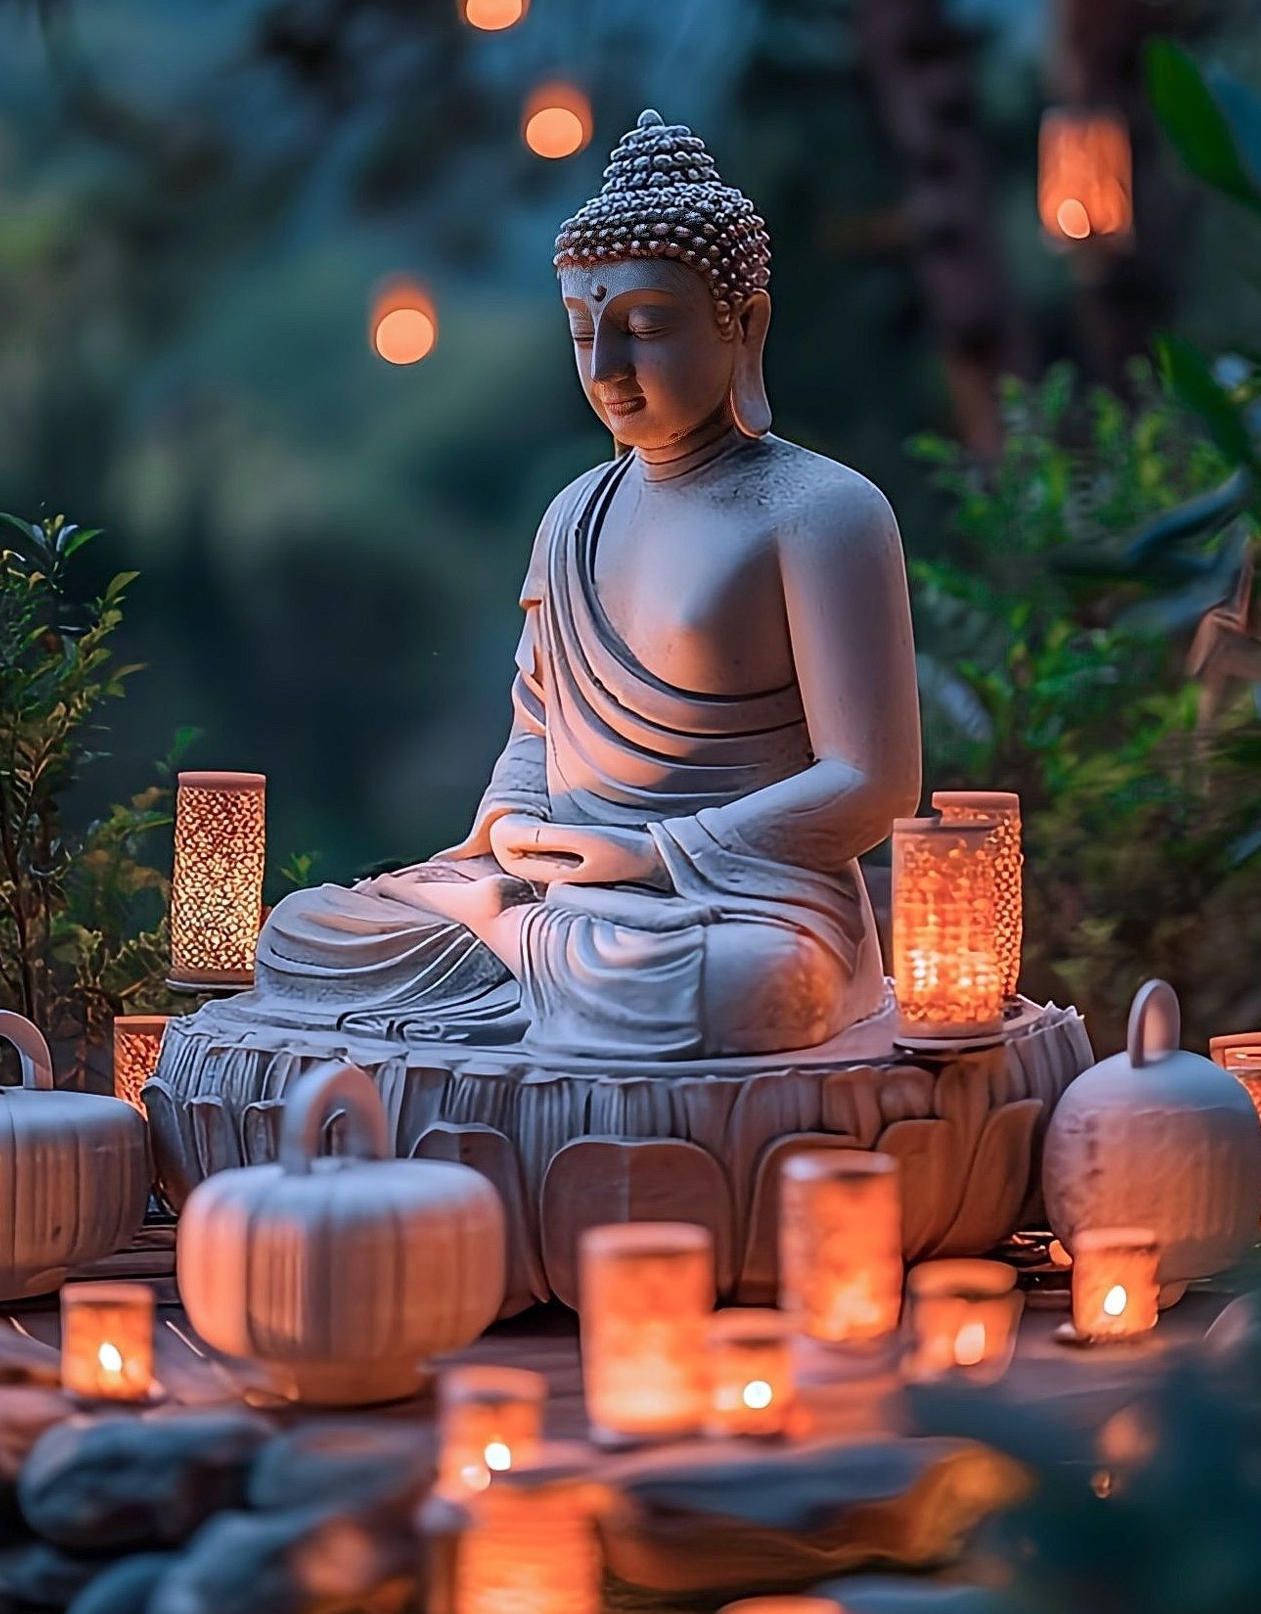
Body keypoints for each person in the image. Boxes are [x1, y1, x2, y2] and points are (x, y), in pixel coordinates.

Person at [255, 109, 921, 1061]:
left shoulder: (824, 510)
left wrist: (655, 855)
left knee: (744, 990)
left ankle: (520, 965)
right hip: (559, 890)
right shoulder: (573, 515)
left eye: (645, 327)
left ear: (745, 326)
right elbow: (538, 727)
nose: (607, 369)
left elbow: (874, 783)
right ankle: (513, 948)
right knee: (303, 932)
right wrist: (517, 824)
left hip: (735, 906)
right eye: (582, 331)